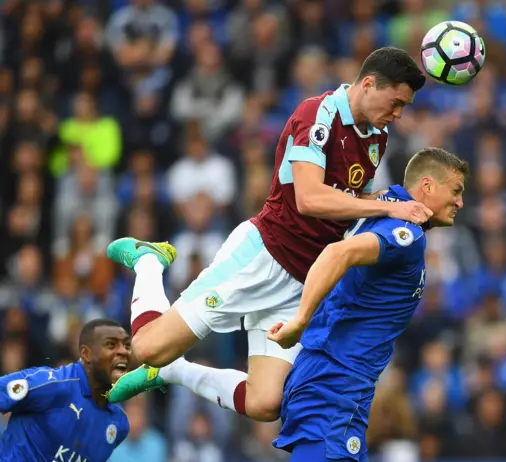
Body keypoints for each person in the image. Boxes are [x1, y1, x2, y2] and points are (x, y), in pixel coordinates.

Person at [104, 46, 428, 422]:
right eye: (395, 102)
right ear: (369, 84)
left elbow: (349, 200)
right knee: (146, 347)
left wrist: (388, 200)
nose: (398, 114)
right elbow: (309, 198)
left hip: (301, 282)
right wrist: (387, 207)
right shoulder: (317, 114)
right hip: (263, 256)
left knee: (266, 403)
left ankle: (174, 372)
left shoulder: (375, 137)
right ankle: (147, 260)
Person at [268, 147, 468, 461]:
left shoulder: (380, 203)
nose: (460, 202)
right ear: (427, 186)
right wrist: (300, 320)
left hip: (335, 382)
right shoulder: (407, 235)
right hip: (335, 386)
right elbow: (337, 254)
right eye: (456, 191)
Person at [0, 319, 131, 461]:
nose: (123, 351)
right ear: (86, 354)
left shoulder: (119, 424)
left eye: (127, 345)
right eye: (111, 345)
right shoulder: (49, 385)